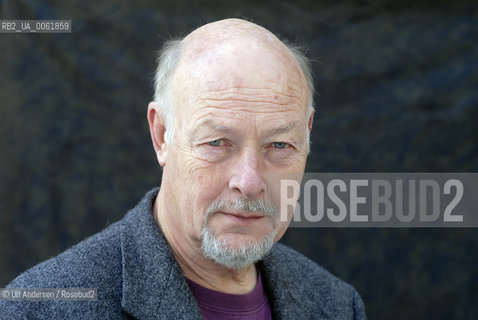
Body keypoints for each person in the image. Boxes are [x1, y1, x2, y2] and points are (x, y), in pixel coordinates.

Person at [0, 18, 366, 319]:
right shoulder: (40, 309)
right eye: (218, 142)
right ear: (162, 135)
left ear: (307, 135)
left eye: (280, 145)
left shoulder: (336, 305)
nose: (250, 182)